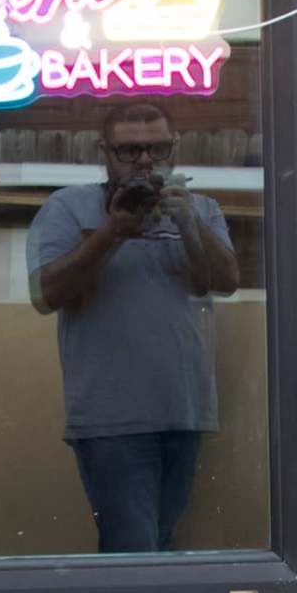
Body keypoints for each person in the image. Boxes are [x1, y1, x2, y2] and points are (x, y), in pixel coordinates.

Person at [27, 98, 240, 553]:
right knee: (134, 554)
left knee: (158, 546)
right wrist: (113, 232)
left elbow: (224, 282)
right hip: (111, 419)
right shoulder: (69, 207)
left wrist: (188, 223)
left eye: (158, 149)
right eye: (129, 151)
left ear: (174, 149)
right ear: (103, 151)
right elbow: (44, 296)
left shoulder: (200, 208)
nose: (145, 161)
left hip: (184, 410)